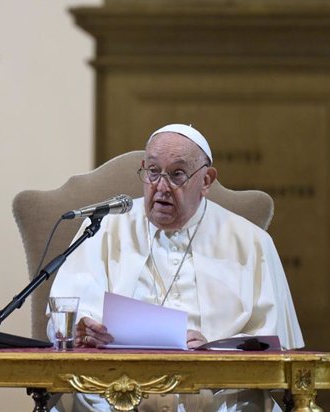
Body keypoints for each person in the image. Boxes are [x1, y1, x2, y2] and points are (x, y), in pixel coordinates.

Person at [47, 124, 303, 412]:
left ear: (206, 180)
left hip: (216, 393)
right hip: (113, 388)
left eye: (177, 174)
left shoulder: (251, 242)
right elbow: (66, 317)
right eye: (153, 172)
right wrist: (83, 329)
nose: (161, 186)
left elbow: (275, 349)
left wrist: (215, 350)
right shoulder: (103, 228)